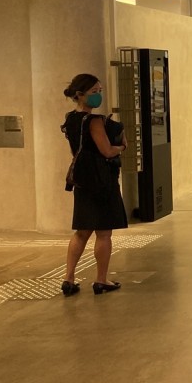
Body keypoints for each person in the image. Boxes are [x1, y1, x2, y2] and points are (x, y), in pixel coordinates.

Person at [60, 73, 128, 296]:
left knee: (82, 231)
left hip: (82, 179)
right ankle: (101, 280)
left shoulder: (71, 119)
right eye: (94, 92)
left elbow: (76, 150)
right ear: (80, 94)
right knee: (104, 233)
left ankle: (69, 278)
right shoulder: (94, 121)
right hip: (101, 180)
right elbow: (107, 151)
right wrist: (122, 147)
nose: (99, 95)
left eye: (100, 91)